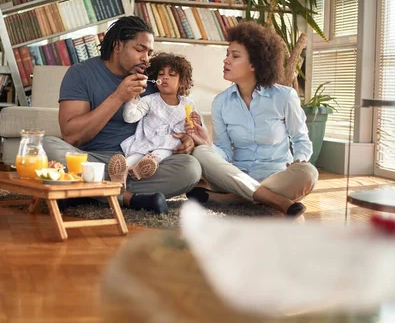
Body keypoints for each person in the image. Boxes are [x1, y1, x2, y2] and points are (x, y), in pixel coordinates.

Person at [43, 16, 201, 214]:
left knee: (191, 168)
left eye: (149, 52)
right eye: (139, 49)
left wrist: (186, 138)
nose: (146, 58)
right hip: (92, 160)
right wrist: (118, 96)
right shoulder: (81, 73)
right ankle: (128, 198)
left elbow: (173, 115)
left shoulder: (151, 78)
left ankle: (85, 190)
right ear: (118, 46)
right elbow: (71, 135)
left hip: (138, 165)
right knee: (46, 146)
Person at [185, 21, 319, 217]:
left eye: (235, 56)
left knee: (309, 173)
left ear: (255, 64)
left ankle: (231, 198)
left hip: (277, 176)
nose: (226, 61)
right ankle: (273, 199)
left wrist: (299, 160)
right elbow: (223, 151)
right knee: (200, 154)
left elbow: (300, 139)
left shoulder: (284, 96)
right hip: (235, 175)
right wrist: (206, 143)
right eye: (227, 55)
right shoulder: (221, 102)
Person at [108, 52, 199, 184]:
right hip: (147, 140)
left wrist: (195, 124)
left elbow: (195, 129)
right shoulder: (149, 100)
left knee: (163, 150)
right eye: (161, 74)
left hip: (170, 143)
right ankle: (121, 172)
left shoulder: (188, 104)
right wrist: (132, 98)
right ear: (156, 82)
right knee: (137, 154)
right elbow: (130, 117)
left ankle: (146, 165)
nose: (165, 77)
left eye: (171, 75)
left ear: (182, 82)